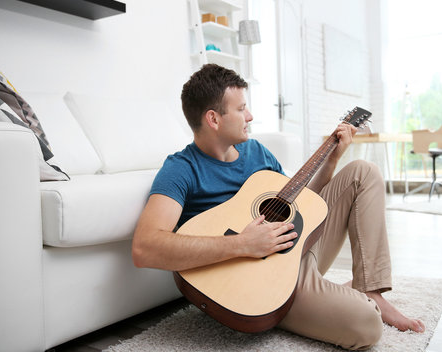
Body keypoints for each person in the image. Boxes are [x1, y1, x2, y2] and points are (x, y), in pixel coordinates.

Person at [132, 64, 425, 350]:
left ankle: (369, 288)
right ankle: (332, 299)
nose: (250, 115)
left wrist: (333, 158)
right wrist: (242, 244)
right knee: (367, 324)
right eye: (240, 108)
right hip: (261, 282)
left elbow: (301, 203)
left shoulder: (256, 151)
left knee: (364, 171)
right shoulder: (181, 169)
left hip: (297, 247)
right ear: (213, 119)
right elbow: (145, 248)